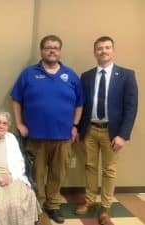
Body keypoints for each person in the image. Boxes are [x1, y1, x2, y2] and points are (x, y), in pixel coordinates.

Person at [10, 35, 84, 224]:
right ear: (41, 50)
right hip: (36, 137)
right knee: (36, 175)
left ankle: (53, 206)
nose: (52, 50)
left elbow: (80, 104)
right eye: (48, 47)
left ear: (60, 51)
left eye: (56, 48)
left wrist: (75, 125)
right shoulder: (28, 74)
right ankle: (37, 207)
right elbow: (16, 99)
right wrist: (19, 124)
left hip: (63, 137)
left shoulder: (71, 75)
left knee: (57, 174)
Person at [75, 36, 138, 225]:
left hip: (113, 132)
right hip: (90, 130)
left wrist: (123, 135)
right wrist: (77, 128)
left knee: (109, 171)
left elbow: (131, 107)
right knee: (90, 167)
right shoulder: (86, 76)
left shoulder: (127, 75)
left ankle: (105, 208)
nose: (103, 51)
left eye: (107, 48)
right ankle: (89, 201)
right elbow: (81, 104)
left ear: (113, 51)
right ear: (95, 53)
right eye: (100, 48)